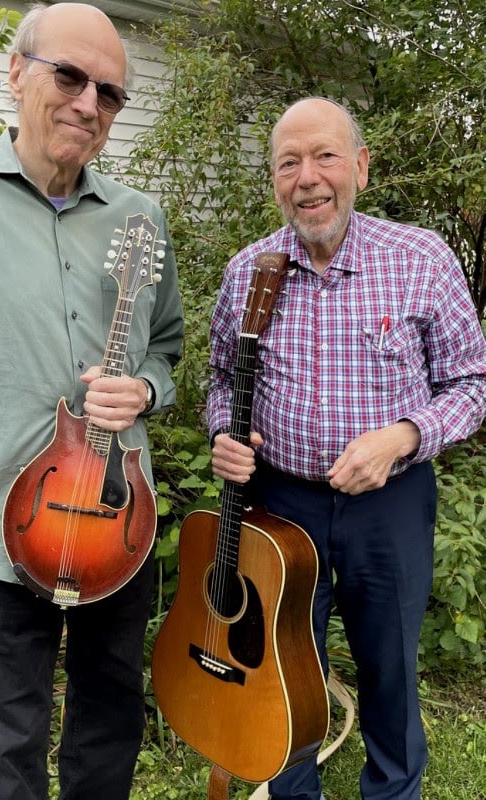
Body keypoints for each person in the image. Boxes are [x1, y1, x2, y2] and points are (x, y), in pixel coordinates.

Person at [0, 4, 183, 799]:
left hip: (120, 521)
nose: (89, 103)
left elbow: (169, 348)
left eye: (110, 92)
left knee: (110, 719)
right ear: (18, 73)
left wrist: (147, 386)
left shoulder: (139, 219)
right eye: (70, 76)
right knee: (9, 739)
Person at [206, 97, 486, 800]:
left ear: (359, 166)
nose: (308, 177)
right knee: (280, 665)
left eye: (325, 155)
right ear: (273, 180)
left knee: (389, 666)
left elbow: (473, 382)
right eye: (289, 163)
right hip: (280, 505)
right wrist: (222, 433)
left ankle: (393, 790)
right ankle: (290, 790)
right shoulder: (249, 272)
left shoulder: (421, 258)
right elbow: (219, 377)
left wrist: (405, 436)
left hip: (389, 505)